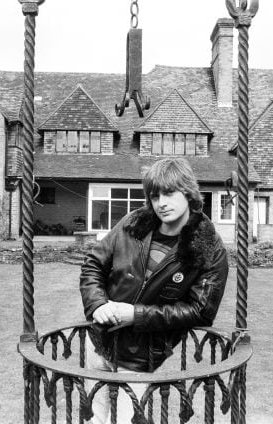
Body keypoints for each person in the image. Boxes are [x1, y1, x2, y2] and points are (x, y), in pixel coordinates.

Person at [79, 157, 229, 423]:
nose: (161, 202)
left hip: (138, 358)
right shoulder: (133, 223)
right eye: (155, 195)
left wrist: (135, 315)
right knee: (93, 420)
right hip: (98, 343)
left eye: (169, 193)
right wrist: (98, 305)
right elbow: (93, 264)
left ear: (188, 192)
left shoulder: (208, 246)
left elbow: (200, 311)